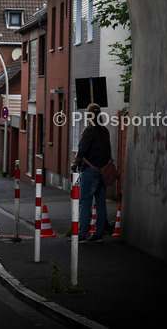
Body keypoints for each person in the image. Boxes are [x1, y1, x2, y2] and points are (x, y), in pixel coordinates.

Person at [71, 103, 112, 242]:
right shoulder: (105, 131)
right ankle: (98, 234)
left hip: (90, 171)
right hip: (103, 172)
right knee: (100, 204)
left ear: (89, 115)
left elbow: (81, 151)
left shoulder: (89, 131)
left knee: (85, 202)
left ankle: (82, 234)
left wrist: (75, 163)